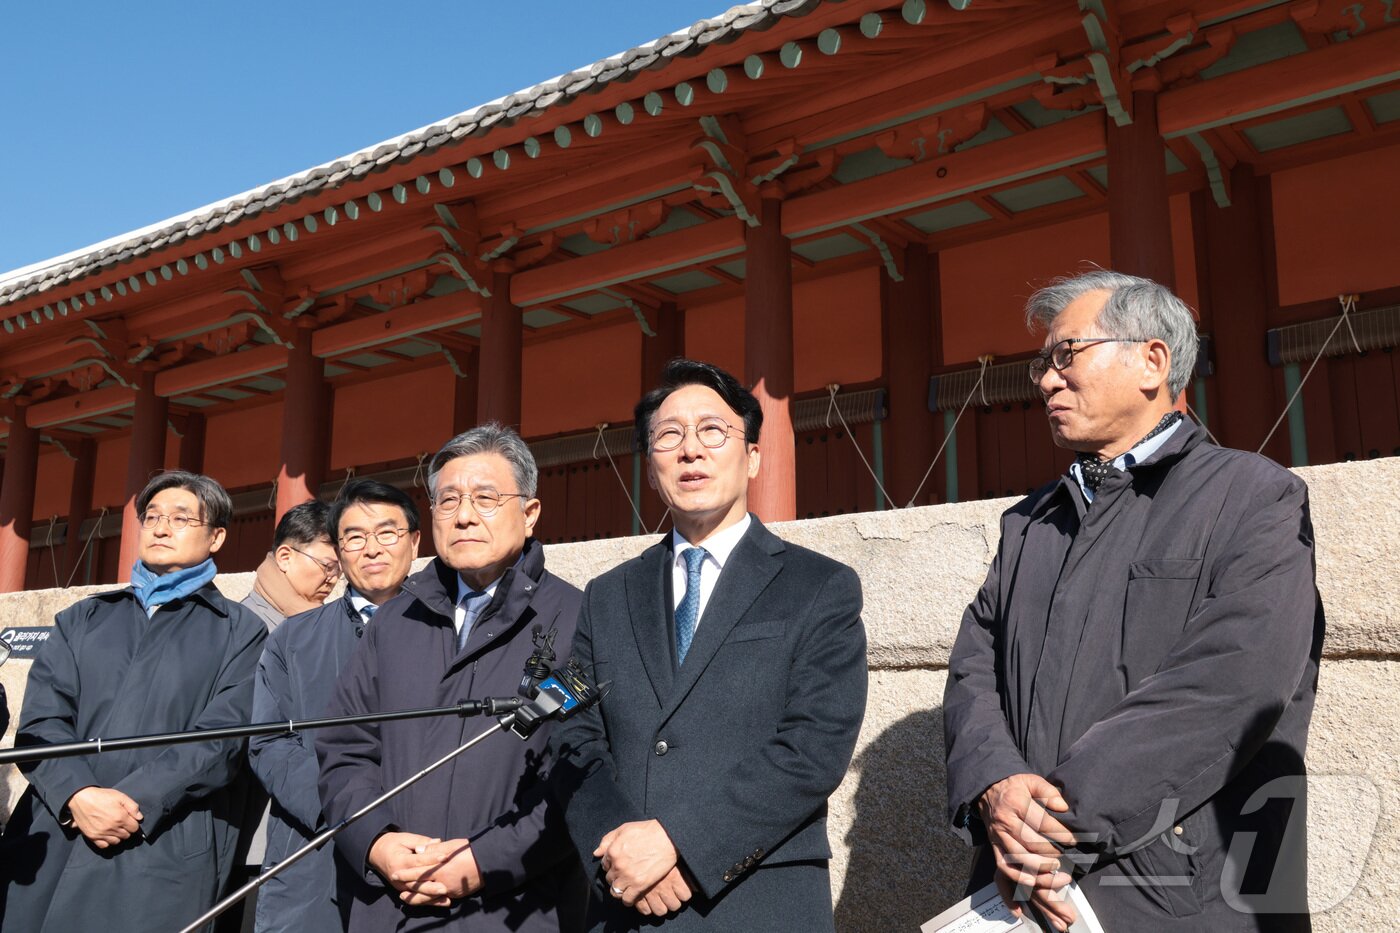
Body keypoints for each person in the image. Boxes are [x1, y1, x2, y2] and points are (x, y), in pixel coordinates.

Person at [942, 270, 1325, 932]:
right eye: (1042, 364)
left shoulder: (1253, 497)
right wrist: (995, 785)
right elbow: (974, 670)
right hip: (1021, 889)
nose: (1046, 380)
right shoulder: (1030, 523)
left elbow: (1232, 685)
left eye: (1066, 354)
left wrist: (1051, 827)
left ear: (1152, 361)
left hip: (1181, 897)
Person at [551, 358, 868, 931]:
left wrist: (680, 843)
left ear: (753, 457)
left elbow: (814, 746)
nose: (690, 450)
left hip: (758, 901)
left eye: (713, 431)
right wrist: (618, 848)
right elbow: (570, 730)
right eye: (669, 436)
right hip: (626, 901)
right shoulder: (607, 595)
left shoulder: (818, 586)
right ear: (651, 471)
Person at [317, 424, 586, 933]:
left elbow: (579, 770)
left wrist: (482, 861)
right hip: (389, 904)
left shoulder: (577, 620)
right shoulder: (394, 621)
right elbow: (345, 747)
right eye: (448, 500)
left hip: (513, 907)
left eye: (485, 498)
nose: (464, 515)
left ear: (530, 513)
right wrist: (376, 841)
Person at [0, 471, 267, 932]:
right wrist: (78, 794)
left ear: (216, 537)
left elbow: (221, 740)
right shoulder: (83, 618)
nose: (161, 528)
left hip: (160, 838)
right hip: (59, 827)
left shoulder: (239, 631)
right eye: (152, 517)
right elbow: (41, 722)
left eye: (180, 518)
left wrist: (132, 803)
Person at [247, 480, 420, 933]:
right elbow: (269, 743)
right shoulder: (292, 637)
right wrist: (348, 813)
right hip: (312, 850)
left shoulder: (451, 631)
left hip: (418, 851)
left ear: (415, 542)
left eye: (387, 533)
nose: (372, 549)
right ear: (340, 553)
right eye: (354, 537)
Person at [242, 499, 338, 632]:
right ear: (285, 558)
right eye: (328, 566)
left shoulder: (332, 625)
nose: (333, 579)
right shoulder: (242, 627)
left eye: (339, 570)